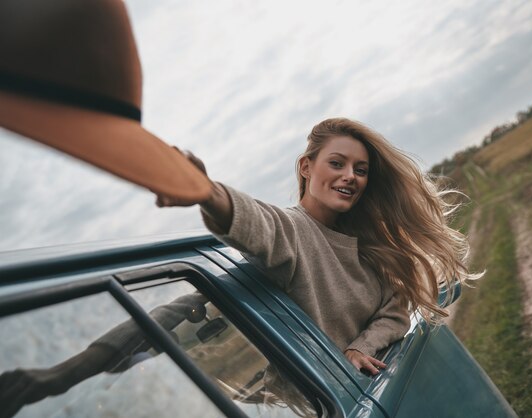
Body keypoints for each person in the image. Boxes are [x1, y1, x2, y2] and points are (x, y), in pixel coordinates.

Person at [157, 117, 478, 375]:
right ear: (306, 167)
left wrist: (360, 348)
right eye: (337, 163)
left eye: (360, 170)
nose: (350, 176)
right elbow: (257, 223)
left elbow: (395, 314)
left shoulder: (370, 247)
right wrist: (208, 193)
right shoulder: (292, 231)